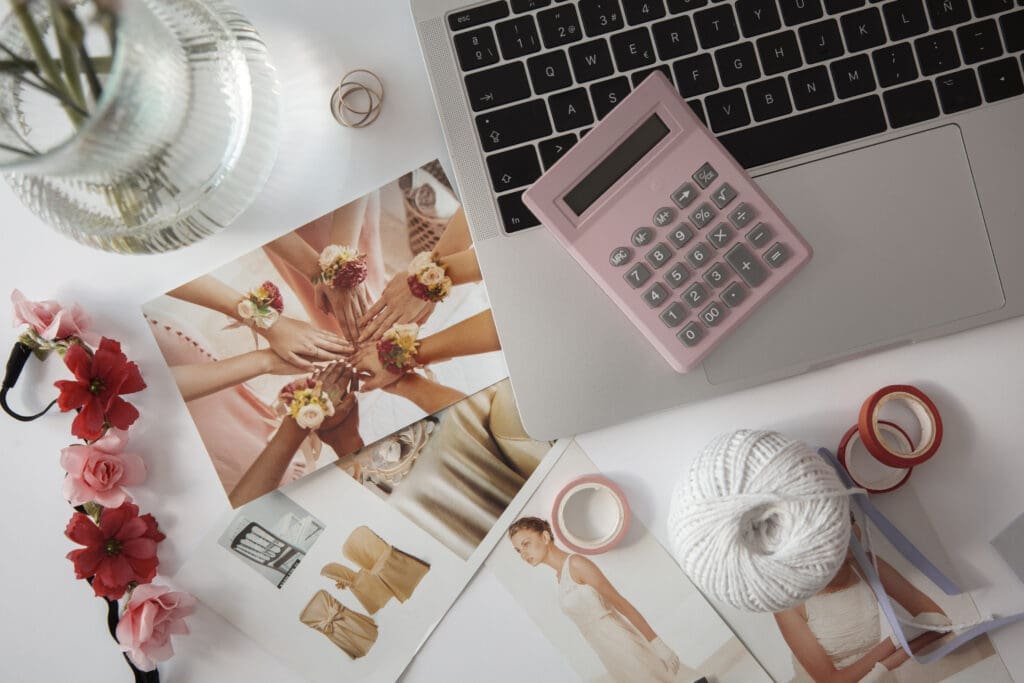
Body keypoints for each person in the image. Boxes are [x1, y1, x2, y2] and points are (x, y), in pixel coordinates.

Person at [507, 517, 691, 682]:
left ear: (545, 538)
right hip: (606, 652)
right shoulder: (560, 577)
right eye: (518, 550)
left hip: (623, 644)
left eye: (526, 544)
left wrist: (658, 644)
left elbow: (620, 603)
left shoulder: (577, 564)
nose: (523, 554)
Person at [773, 548, 950, 683]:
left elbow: (940, 622)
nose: (852, 531)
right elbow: (830, 681)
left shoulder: (865, 562)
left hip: (877, 675)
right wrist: (895, 643)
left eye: (852, 519)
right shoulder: (787, 601)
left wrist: (887, 663)